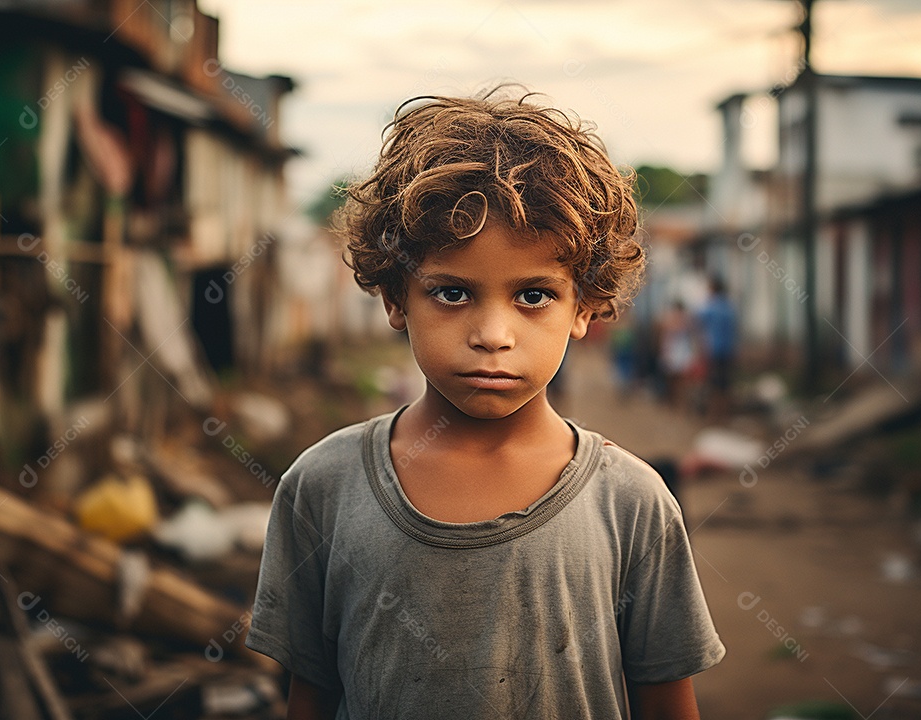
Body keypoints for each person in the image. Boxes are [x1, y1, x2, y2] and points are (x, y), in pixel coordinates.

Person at [246, 88, 725, 720]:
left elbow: (668, 705)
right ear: (395, 298)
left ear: (583, 307)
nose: (493, 333)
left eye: (533, 295)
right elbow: (310, 695)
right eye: (451, 293)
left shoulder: (632, 502)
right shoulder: (323, 487)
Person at [696, 275, 736, 423]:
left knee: (713, 384)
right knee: (725, 384)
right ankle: (725, 415)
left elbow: (697, 319)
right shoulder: (729, 307)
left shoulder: (711, 306)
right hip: (728, 350)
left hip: (714, 350)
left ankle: (713, 416)